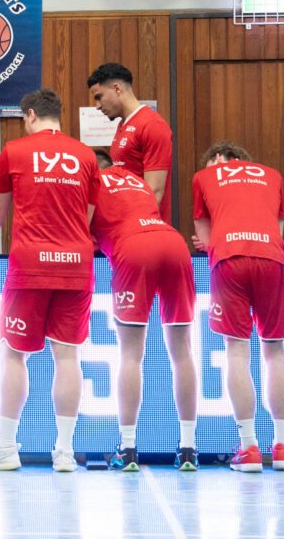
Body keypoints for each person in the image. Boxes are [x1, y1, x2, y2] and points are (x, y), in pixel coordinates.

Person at [0, 88, 98, 473]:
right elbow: (88, 214)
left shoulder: (15, 151)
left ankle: (5, 447)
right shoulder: (86, 155)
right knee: (68, 356)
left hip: (30, 265)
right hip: (76, 263)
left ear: (29, 116)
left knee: (13, 353)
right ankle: (65, 452)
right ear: (59, 115)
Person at [192, 141, 284, 472]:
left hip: (229, 259)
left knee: (237, 352)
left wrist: (213, 242)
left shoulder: (202, 177)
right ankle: (283, 447)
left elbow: (205, 237)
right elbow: (278, 232)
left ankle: (249, 447)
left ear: (221, 159)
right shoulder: (273, 176)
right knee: (276, 351)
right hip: (271, 258)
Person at [90, 149, 198, 472]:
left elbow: (82, 231)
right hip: (173, 242)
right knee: (182, 352)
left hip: (134, 247)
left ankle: (127, 449)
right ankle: (189, 449)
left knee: (131, 354)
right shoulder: (136, 181)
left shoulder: (90, 183)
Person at [87, 63, 173, 222]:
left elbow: (155, 191)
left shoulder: (152, 125)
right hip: (123, 223)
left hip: (144, 227)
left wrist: (134, 228)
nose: (97, 106)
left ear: (117, 89)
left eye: (99, 97)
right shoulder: (123, 125)